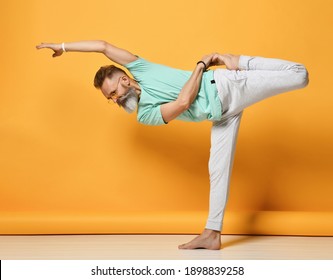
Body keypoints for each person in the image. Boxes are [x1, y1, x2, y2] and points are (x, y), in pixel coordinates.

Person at [36, 40, 309, 250]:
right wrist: (200, 65)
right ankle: (212, 234)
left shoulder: (141, 68)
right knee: (218, 171)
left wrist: (62, 46)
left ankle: (239, 61)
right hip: (221, 114)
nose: (115, 100)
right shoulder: (144, 114)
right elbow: (182, 103)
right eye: (110, 99)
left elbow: (103, 46)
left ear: (124, 79)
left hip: (225, 87)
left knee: (299, 75)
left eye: (114, 93)